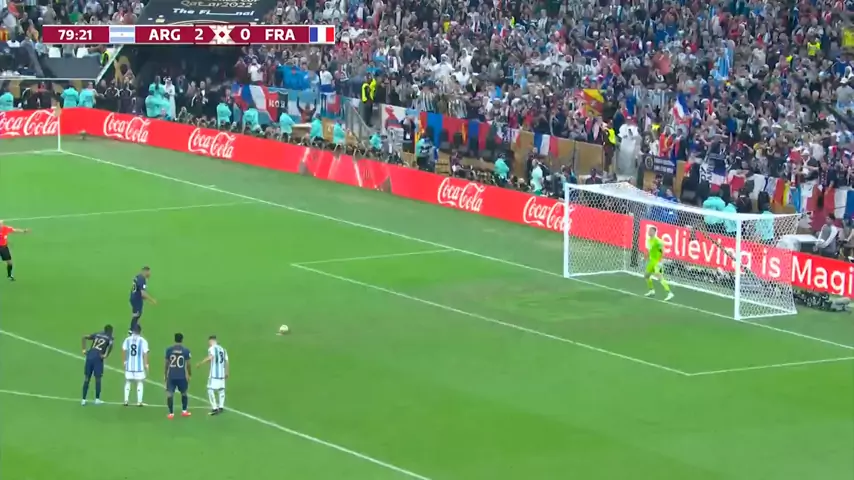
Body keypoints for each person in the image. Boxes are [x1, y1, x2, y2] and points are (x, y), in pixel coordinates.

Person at [81, 325, 114, 406]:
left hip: (90, 356)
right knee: (98, 378)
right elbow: (111, 345)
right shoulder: (109, 337)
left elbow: (84, 337)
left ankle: (83, 400)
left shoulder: (97, 334)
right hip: (98, 358)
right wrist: (106, 355)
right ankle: (97, 399)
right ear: (110, 331)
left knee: (87, 378)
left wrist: (84, 349)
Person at [196, 335, 228, 415]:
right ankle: (221, 407)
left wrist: (201, 363)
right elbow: (226, 361)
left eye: (209, 342)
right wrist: (226, 372)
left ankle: (214, 408)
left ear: (211, 341)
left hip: (214, 374)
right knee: (221, 390)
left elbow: (211, 357)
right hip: (222, 374)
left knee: (210, 389)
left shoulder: (212, 348)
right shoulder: (223, 349)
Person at [165, 333, 192, 419]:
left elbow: (166, 363)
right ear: (182, 340)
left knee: (170, 394)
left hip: (171, 375)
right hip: (181, 375)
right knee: (184, 393)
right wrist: (189, 374)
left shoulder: (169, 350)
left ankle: (171, 413)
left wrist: (165, 374)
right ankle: (184, 411)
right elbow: (188, 364)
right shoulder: (185, 351)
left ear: (174, 339)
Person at [122, 325, 149, 407]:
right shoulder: (143, 341)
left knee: (128, 382)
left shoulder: (127, 339)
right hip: (139, 367)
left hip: (129, 365)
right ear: (140, 331)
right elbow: (145, 353)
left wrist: (124, 361)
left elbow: (123, 350)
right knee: (139, 382)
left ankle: (126, 401)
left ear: (133, 331)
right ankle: (139, 402)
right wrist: (146, 364)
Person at [644, 226, 674, 301]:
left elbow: (662, 251)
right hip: (651, 262)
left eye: (650, 231)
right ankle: (651, 290)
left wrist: (660, 261)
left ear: (654, 232)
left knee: (660, 277)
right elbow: (648, 250)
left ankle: (669, 293)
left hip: (657, 262)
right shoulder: (649, 240)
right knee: (646, 276)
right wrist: (645, 258)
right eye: (648, 230)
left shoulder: (658, 241)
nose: (649, 232)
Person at [129, 266, 156, 334]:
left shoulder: (138, 276)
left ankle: (134, 328)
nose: (149, 274)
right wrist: (152, 300)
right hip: (136, 299)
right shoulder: (142, 279)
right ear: (145, 271)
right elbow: (143, 293)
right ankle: (131, 331)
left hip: (133, 297)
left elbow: (138, 290)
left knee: (136, 314)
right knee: (137, 315)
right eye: (148, 272)